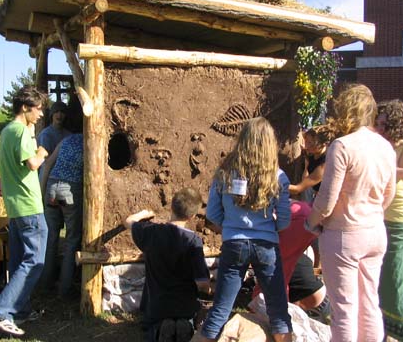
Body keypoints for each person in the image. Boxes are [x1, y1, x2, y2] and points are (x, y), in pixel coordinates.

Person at [307, 84, 396, 342]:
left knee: (344, 309)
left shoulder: (343, 146)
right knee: (370, 303)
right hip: (375, 231)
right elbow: (388, 194)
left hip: (344, 234)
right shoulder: (385, 147)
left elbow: (326, 199)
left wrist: (312, 222)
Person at [198, 117, 292, 342]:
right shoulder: (278, 177)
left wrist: (229, 227)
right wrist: (271, 228)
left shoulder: (224, 174)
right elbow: (286, 219)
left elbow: (212, 213)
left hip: (233, 243)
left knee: (220, 309)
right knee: (278, 311)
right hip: (266, 245)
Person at [0, 86, 49, 337]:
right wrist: (42, 151)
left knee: (19, 258)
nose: (41, 113)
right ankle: (0, 312)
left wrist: (32, 135)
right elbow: (32, 163)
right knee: (34, 261)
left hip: (15, 206)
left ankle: (19, 310)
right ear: (25, 107)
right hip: (29, 206)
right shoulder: (21, 131)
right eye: (39, 108)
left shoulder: (8, 131)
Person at [124, 187, 210, 342]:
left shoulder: (151, 232)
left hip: (156, 307)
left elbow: (129, 221)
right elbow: (202, 283)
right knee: (191, 318)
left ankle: (159, 329)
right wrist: (212, 289)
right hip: (184, 307)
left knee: (152, 325)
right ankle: (185, 326)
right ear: (192, 216)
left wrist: (144, 214)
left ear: (171, 206)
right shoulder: (193, 241)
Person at [375, 99, 403, 342]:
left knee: (399, 284)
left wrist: (394, 171)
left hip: (402, 229)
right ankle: (384, 332)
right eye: (377, 124)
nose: (379, 129)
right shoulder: (378, 149)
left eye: (384, 124)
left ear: (394, 125)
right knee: (382, 285)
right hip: (380, 226)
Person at [39, 105, 84, 296]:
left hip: (53, 186)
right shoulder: (90, 143)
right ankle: (64, 289)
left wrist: (41, 193)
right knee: (72, 239)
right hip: (69, 189)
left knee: (51, 236)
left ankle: (45, 283)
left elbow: (48, 163)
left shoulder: (67, 139)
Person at [289, 126, 331, 201]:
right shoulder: (311, 154)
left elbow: (298, 189)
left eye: (310, 143)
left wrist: (274, 184)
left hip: (325, 200)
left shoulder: (326, 163)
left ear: (323, 144)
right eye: (306, 141)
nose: (307, 146)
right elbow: (305, 177)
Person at [37, 101, 70, 179]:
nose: (59, 115)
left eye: (62, 112)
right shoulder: (46, 135)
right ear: (52, 115)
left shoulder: (69, 135)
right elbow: (46, 161)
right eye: (56, 112)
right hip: (47, 176)